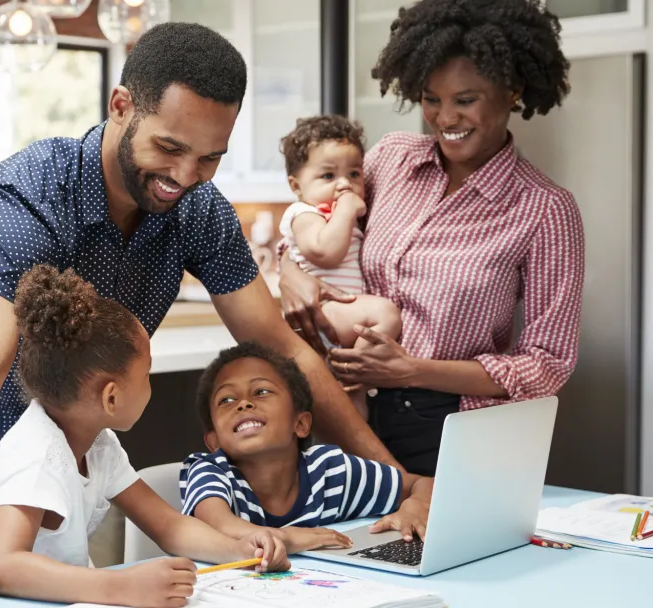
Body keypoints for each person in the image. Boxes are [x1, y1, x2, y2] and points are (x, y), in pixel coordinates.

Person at [0, 22, 395, 608]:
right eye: (170, 148)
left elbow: (281, 348)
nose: (185, 176)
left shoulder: (198, 211)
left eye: (209, 158)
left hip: (75, 435)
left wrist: (399, 484)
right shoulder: (26, 198)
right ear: (121, 106)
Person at [279, 0, 584, 477]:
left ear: (512, 92)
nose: (444, 118)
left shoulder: (545, 209)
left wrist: (412, 369)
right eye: (431, 99)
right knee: (344, 526)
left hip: (443, 422)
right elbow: (320, 224)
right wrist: (289, 271)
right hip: (345, 401)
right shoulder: (391, 159)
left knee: (427, 528)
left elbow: (546, 366)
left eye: (465, 100)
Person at [0, 265, 289, 607]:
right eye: (146, 373)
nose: (150, 384)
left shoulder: (98, 445)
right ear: (111, 398)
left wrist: (239, 550)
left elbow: (169, 526)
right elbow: (5, 567)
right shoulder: (36, 451)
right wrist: (121, 586)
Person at [180, 342, 434, 548]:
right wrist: (286, 538)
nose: (243, 404)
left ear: (300, 423)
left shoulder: (331, 471)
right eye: (226, 399)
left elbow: (425, 484)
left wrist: (415, 505)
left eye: (261, 392)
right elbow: (219, 526)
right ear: (214, 441)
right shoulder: (210, 471)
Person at [275, 116, 403, 419]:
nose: (344, 184)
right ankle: (352, 368)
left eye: (354, 173)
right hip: (322, 310)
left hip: (340, 313)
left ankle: (351, 391)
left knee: (352, 413)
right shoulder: (304, 213)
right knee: (386, 313)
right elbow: (324, 252)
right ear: (296, 186)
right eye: (328, 175)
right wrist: (347, 208)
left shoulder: (338, 217)